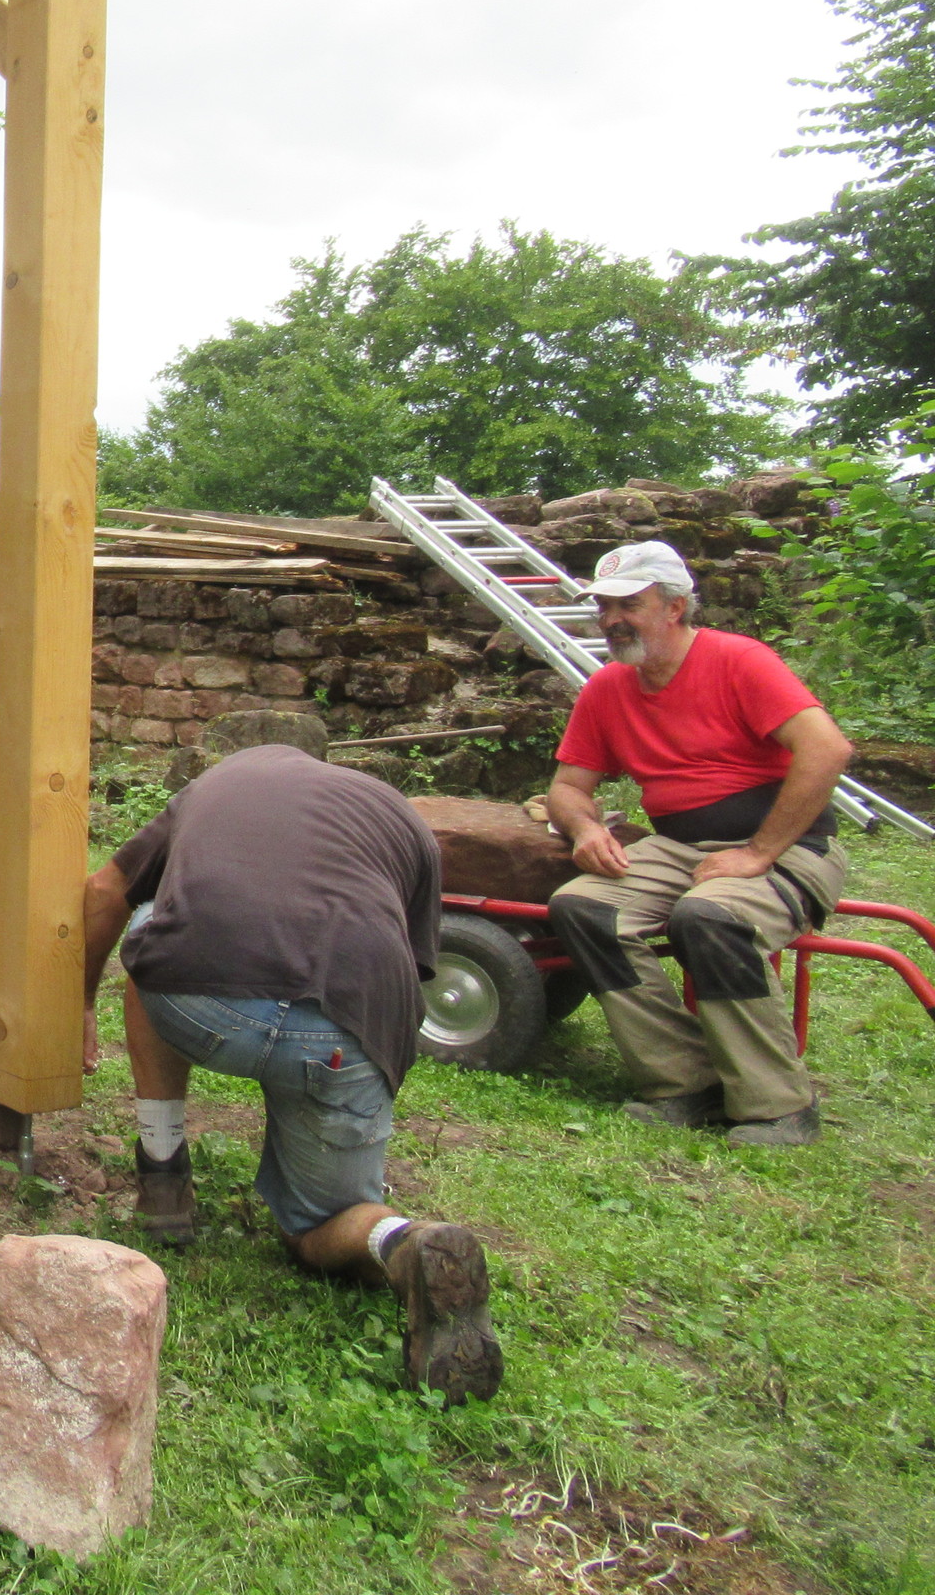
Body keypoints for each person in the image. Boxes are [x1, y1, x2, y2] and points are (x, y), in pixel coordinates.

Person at [80, 741, 504, 1404]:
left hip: (198, 997)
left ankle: (162, 1174)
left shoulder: (218, 782)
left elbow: (104, 889)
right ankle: (403, 1242)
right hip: (346, 1028)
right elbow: (407, 961)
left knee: (150, 928)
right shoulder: (403, 819)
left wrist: (78, 1002)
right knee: (317, 1228)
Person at [543, 540, 854, 1147]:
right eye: (604, 606)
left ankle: (779, 1106)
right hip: (679, 845)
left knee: (710, 918)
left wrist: (758, 853)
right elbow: (567, 787)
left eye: (628, 604)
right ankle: (686, 1082)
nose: (611, 620)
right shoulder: (608, 688)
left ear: (675, 606)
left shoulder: (739, 660)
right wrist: (585, 828)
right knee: (582, 908)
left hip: (788, 845)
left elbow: (828, 749)